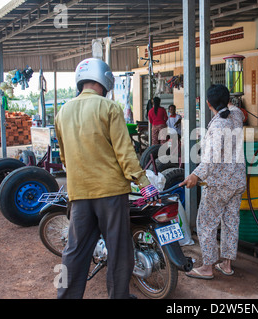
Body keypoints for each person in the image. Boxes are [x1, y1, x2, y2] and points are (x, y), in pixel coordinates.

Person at [54, 58, 159, 299]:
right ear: (105, 79)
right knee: (119, 250)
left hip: (79, 193)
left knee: (75, 252)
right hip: (111, 194)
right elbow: (125, 152)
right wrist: (144, 184)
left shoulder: (63, 112)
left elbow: (64, 158)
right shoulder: (109, 108)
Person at [180, 84, 246, 279]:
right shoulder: (237, 116)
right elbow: (234, 109)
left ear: (208, 104)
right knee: (231, 222)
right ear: (227, 101)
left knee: (206, 223)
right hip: (238, 180)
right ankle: (226, 265)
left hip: (220, 183)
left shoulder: (218, 125)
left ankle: (207, 267)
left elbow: (212, 159)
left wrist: (195, 175)